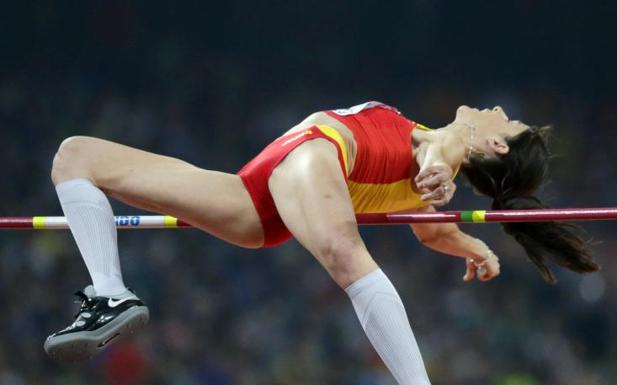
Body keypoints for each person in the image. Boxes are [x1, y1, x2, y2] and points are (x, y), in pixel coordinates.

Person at [44, 101, 598, 384]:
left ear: (496, 143)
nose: (495, 108)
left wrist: (438, 176)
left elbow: (435, 162)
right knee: (77, 156)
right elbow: (431, 228)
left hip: (311, 159)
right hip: (255, 193)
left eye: (506, 117)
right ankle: (110, 294)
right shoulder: (427, 156)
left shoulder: (444, 146)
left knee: (345, 256)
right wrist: (470, 246)